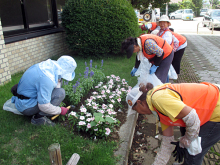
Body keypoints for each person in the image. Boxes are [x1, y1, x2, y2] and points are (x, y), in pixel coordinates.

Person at [126, 82, 220, 165]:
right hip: (206, 106)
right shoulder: (156, 109)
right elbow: (167, 143)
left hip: (215, 108)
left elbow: (192, 117)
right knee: (187, 136)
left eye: (136, 110)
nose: (139, 113)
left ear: (140, 103)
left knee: (194, 151)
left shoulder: (158, 99)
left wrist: (188, 138)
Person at [11, 55, 77, 126]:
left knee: (58, 92)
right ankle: (38, 118)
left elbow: (54, 87)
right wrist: (60, 110)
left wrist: (59, 80)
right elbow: (44, 106)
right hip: (26, 107)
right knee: (60, 93)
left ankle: (40, 114)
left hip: (22, 100)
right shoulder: (47, 79)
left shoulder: (46, 66)